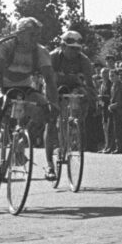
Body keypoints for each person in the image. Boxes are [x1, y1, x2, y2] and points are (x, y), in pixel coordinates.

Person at [0, 17, 57, 199]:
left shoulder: (40, 51)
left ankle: (19, 144)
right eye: (31, 34)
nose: (35, 38)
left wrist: (53, 103)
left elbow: (50, 80)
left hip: (23, 85)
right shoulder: (5, 46)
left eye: (38, 34)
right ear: (19, 34)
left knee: (45, 112)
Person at [48, 31, 97, 177]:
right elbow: (48, 81)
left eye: (77, 49)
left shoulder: (84, 60)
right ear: (62, 46)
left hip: (73, 86)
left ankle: (74, 123)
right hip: (53, 86)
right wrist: (51, 101)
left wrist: (92, 99)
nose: (74, 52)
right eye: (71, 48)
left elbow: (89, 83)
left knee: (81, 95)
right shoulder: (53, 57)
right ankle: (50, 164)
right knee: (50, 121)